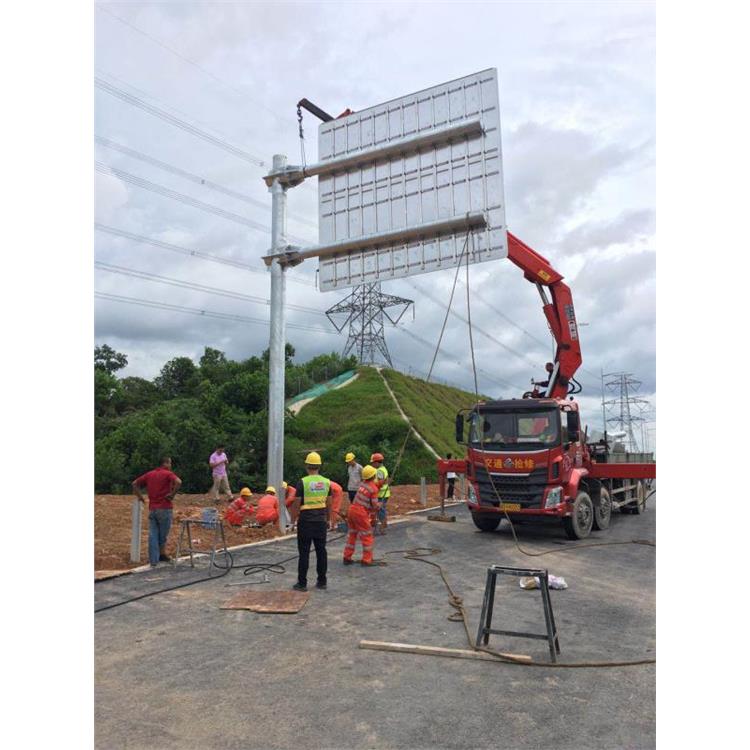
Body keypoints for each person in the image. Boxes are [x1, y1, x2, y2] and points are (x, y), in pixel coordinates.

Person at [290, 452, 332, 591]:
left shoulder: (302, 482)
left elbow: (296, 504)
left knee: (304, 552)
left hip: (306, 521)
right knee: (321, 551)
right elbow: (329, 502)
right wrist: (329, 519)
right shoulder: (326, 482)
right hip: (320, 521)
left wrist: (292, 521)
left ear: (307, 466)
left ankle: (302, 583)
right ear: (319, 466)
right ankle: (322, 581)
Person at [132, 456, 182, 567]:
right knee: (162, 535)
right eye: (170, 463)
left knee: (153, 534)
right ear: (165, 463)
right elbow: (179, 482)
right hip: (165, 508)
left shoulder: (150, 474)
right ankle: (161, 555)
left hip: (153, 509)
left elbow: (134, 484)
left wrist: (140, 497)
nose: (171, 465)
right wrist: (172, 494)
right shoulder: (168, 474)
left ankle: (155, 559)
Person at [343, 465, 380, 566]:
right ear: (373, 476)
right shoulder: (373, 489)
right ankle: (367, 560)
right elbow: (375, 505)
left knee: (352, 534)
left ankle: (347, 557)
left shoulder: (362, 485)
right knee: (367, 535)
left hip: (352, 510)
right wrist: (378, 506)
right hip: (360, 512)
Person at [370, 452, 390, 534]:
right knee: (382, 509)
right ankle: (383, 524)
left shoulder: (379, 471)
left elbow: (381, 483)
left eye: (373, 463)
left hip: (381, 494)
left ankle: (383, 527)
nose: (372, 464)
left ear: (377, 462)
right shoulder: (383, 469)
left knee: (380, 510)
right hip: (384, 493)